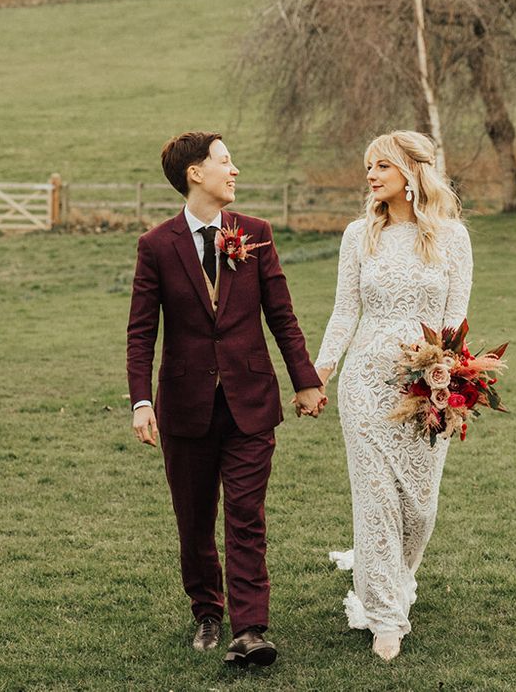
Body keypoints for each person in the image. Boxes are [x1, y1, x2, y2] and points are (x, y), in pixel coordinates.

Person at [127, 131, 326, 667]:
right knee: (193, 518)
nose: (234, 170)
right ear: (196, 173)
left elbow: (281, 315)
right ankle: (207, 612)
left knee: (245, 513)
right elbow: (141, 332)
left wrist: (305, 379)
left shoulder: (255, 235)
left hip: (251, 401)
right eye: (224, 161)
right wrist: (140, 401)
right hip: (185, 406)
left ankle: (251, 628)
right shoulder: (157, 245)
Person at [313, 130, 473, 661]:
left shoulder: (451, 238)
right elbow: (344, 310)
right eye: (368, 168)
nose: (371, 176)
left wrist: (446, 376)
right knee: (375, 497)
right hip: (364, 383)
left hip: (426, 386)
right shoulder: (359, 235)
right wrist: (322, 369)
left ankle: (393, 576)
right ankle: (384, 614)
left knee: (419, 507)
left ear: (411, 172)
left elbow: (454, 321)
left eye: (381, 166)